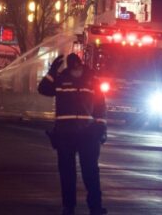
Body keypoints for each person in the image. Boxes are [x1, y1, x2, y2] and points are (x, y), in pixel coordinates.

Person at [39, 53, 107, 215]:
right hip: (66, 134)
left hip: (87, 134)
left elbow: (100, 106)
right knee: (67, 173)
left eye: (77, 65)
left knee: (90, 172)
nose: (76, 68)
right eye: (73, 66)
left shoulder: (92, 81)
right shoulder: (61, 79)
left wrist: (100, 127)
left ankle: (95, 207)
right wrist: (52, 71)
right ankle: (69, 207)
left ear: (81, 64)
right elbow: (43, 89)